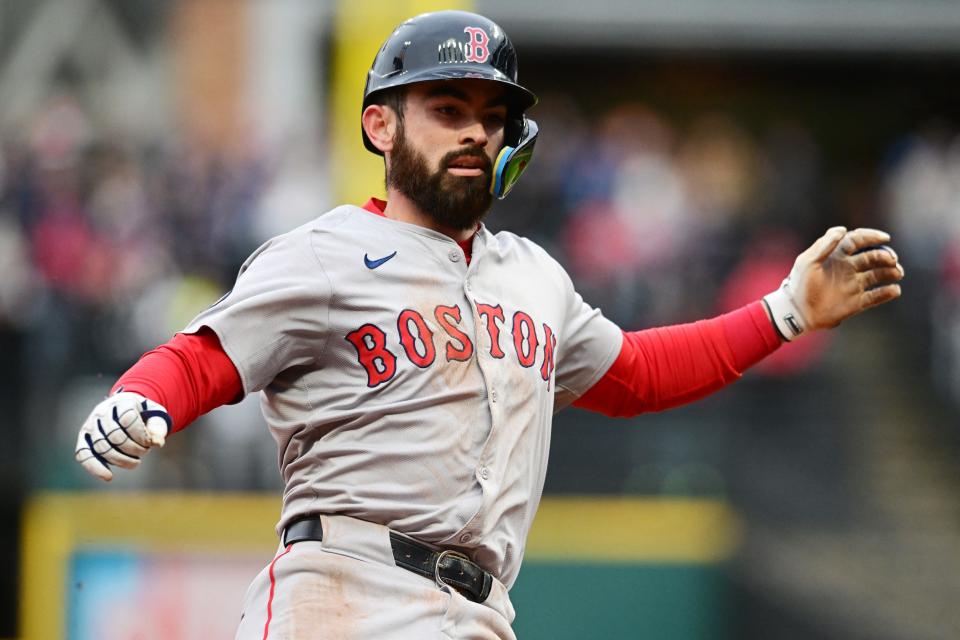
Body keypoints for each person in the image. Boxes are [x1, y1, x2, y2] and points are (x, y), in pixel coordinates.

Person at [73, 10, 904, 640]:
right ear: (381, 124)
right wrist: (144, 398)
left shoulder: (534, 276)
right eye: (446, 106)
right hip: (343, 590)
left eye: (492, 113)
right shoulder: (326, 252)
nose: (475, 128)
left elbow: (637, 375)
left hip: (479, 612)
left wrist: (786, 313)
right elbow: (203, 358)